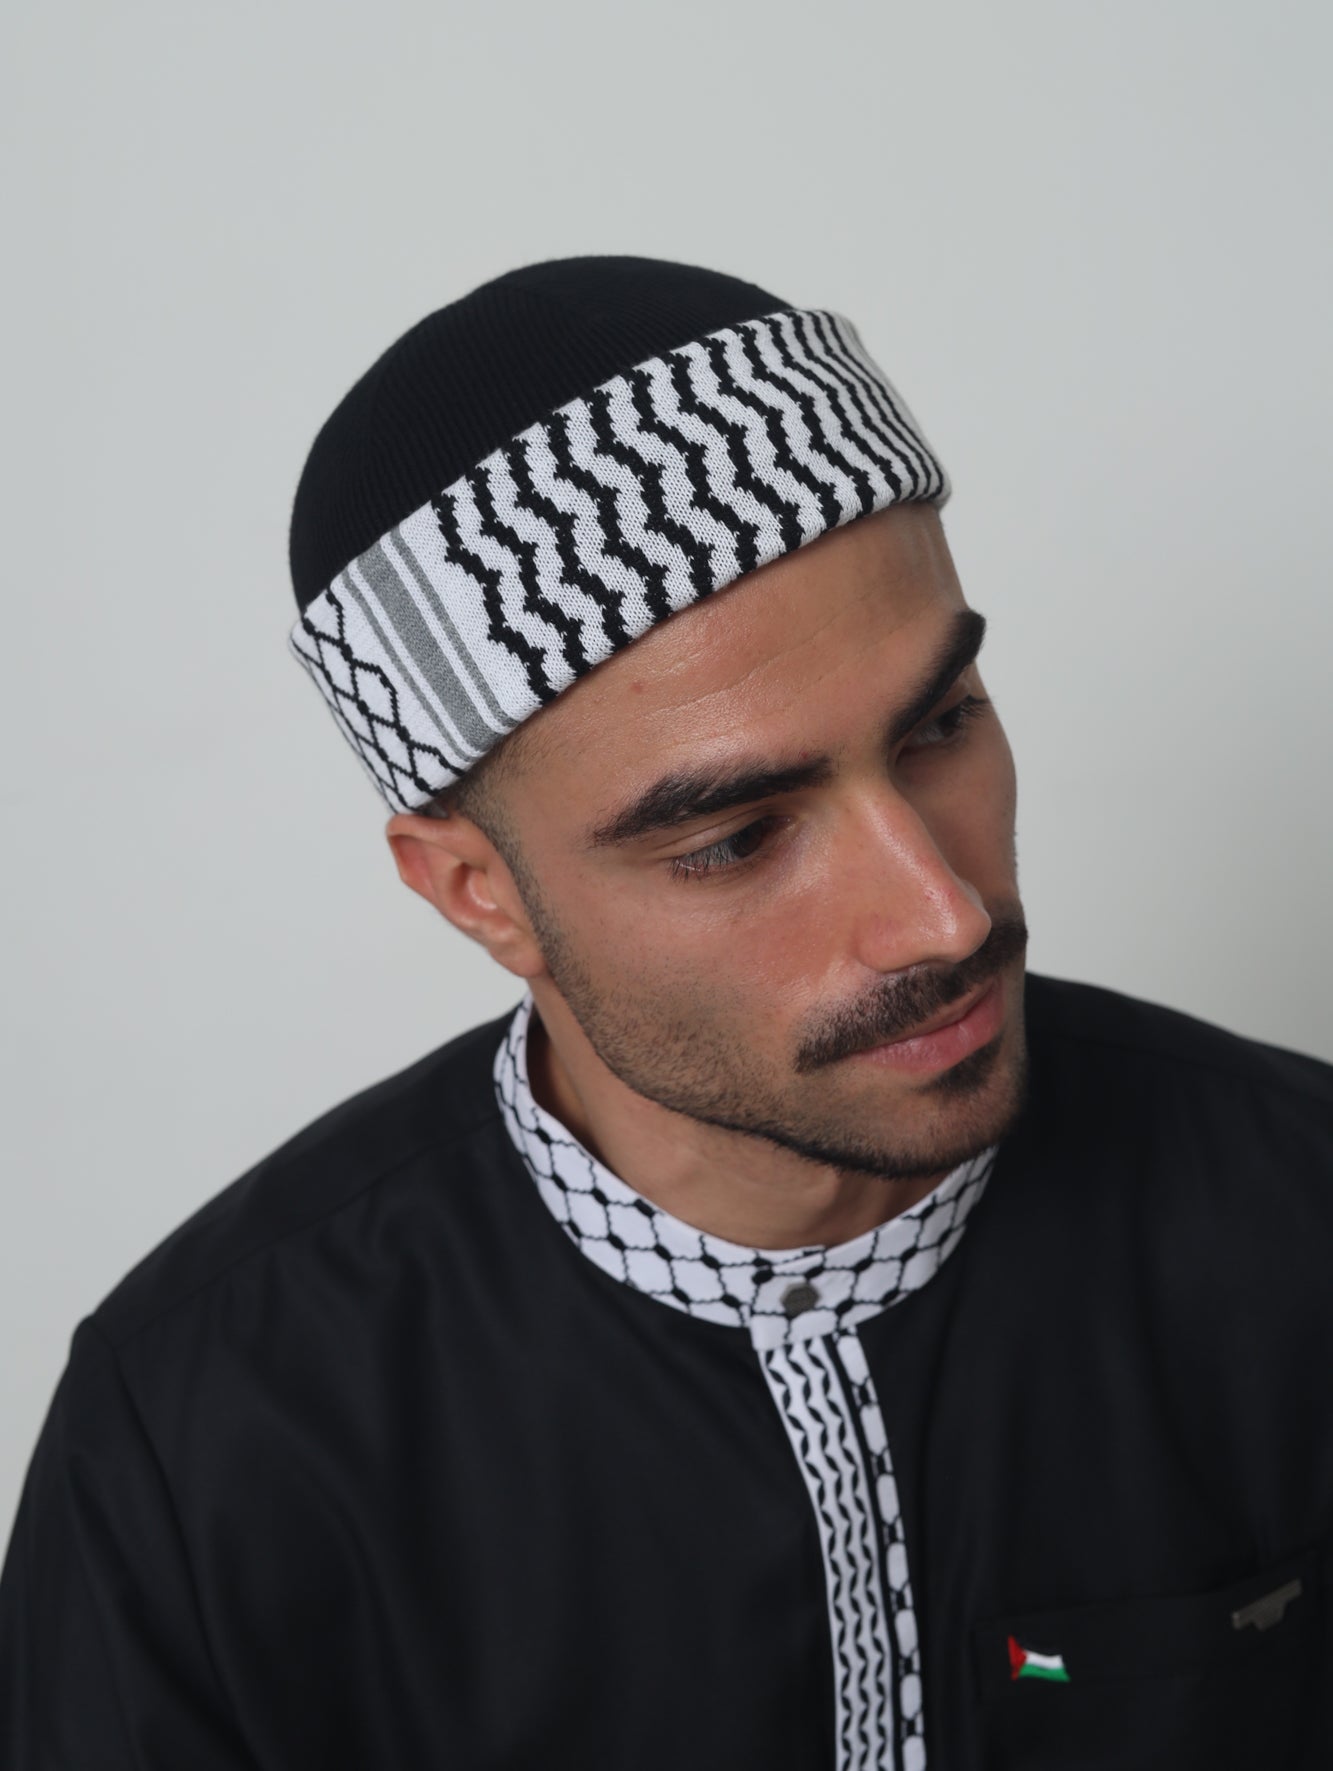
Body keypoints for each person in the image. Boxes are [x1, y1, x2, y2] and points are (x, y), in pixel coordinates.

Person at [2, 255, 1330, 1771]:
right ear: (477, 892)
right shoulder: (206, 1439)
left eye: (942, 726)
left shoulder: (1301, 1218)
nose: (945, 916)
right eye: (737, 838)